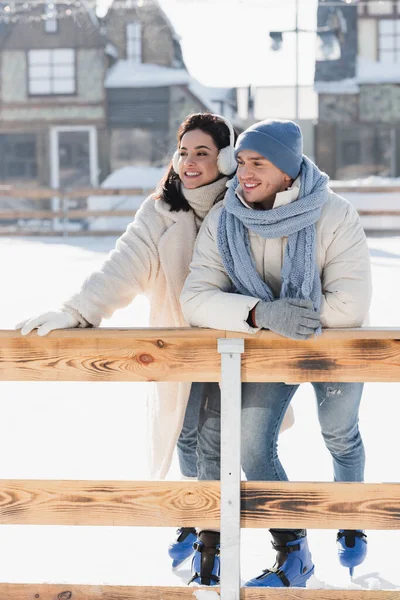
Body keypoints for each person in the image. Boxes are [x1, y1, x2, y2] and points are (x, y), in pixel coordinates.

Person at [15, 112, 295, 574]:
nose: (189, 162)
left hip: (237, 350)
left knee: (218, 446)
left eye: (203, 152)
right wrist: (76, 311)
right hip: (179, 355)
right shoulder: (161, 212)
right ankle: (195, 510)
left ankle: (214, 547)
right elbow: (121, 266)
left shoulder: (245, 206)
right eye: (183, 152)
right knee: (186, 441)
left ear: (226, 158)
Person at [181, 119, 372, 587]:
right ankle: (293, 551)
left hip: (334, 349)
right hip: (269, 345)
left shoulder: (334, 213)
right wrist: (260, 313)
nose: (244, 173)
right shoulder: (227, 219)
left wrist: (294, 314)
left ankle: (351, 518)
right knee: (250, 444)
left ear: (288, 172)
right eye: (241, 162)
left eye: (258, 163)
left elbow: (349, 305)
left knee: (340, 434)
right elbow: (195, 297)